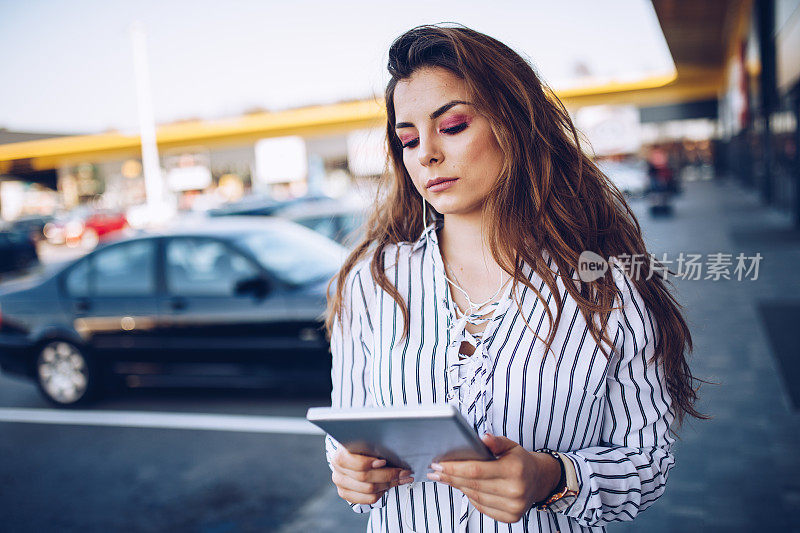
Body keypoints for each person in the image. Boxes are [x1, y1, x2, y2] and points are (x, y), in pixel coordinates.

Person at [323, 24, 704, 533]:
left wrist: (554, 477)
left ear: (516, 124)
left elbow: (647, 462)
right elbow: (346, 436)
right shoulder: (371, 283)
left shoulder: (605, 289)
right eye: (408, 139)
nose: (427, 154)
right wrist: (350, 472)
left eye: (453, 126)